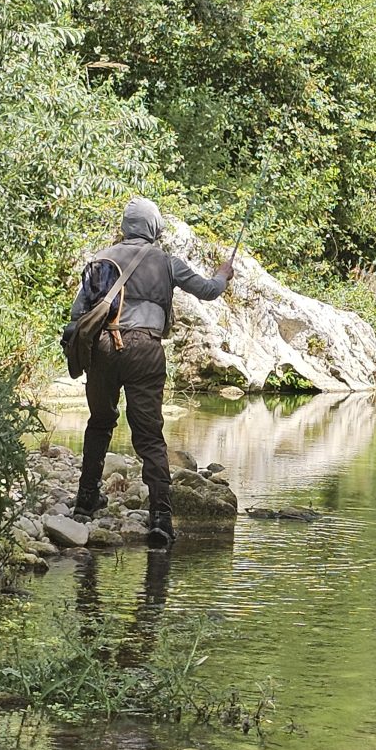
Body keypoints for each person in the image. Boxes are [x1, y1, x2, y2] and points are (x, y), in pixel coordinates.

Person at [70, 197, 234, 547]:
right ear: (153, 229)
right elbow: (208, 291)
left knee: (99, 422)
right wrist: (223, 274)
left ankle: (85, 503)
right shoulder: (166, 261)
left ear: (125, 226)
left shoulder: (100, 259)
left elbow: (77, 313)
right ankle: (160, 518)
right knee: (148, 435)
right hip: (145, 350)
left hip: (102, 349)